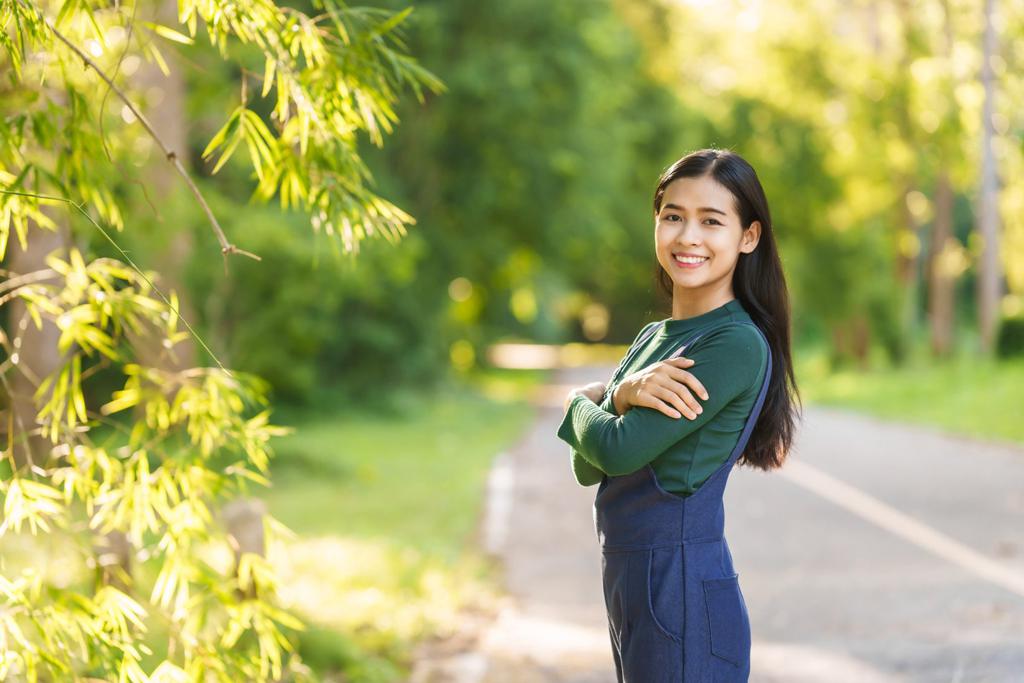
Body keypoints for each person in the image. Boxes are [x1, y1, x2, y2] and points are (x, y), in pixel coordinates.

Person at [555, 148, 802, 682]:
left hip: (679, 589)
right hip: (631, 583)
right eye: (673, 216)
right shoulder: (653, 339)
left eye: (711, 221)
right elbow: (587, 467)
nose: (688, 236)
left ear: (748, 237)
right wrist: (619, 398)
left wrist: (583, 398)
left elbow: (616, 450)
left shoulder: (734, 344)